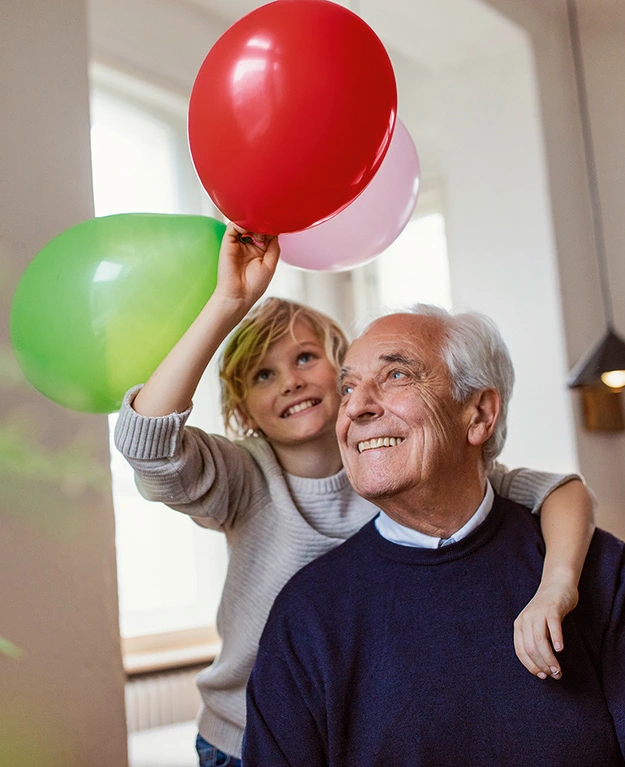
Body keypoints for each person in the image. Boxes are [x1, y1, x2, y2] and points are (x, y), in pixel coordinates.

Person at [114, 225, 596, 766]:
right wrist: (228, 301)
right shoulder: (244, 476)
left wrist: (557, 584)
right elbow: (147, 445)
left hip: (351, 715)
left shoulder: (400, 471)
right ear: (244, 411)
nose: (290, 382)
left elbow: (560, 491)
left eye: (304, 358)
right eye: (263, 375)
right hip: (243, 734)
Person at [243, 306, 625, 767]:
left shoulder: (601, 572)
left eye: (396, 375)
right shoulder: (306, 613)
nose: (357, 407)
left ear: (479, 413)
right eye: (347, 388)